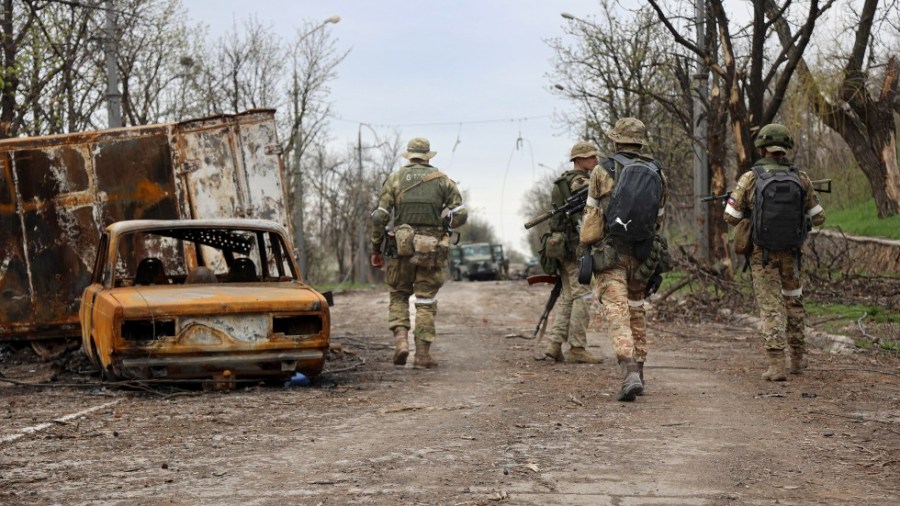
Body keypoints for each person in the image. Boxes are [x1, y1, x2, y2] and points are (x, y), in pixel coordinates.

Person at [724, 123, 826, 381]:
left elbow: (730, 216)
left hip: (762, 255)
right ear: (786, 147)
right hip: (792, 254)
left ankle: (777, 364)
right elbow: (820, 217)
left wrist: (747, 209)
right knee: (794, 301)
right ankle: (799, 358)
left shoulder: (751, 178)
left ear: (762, 148)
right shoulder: (801, 177)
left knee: (771, 306)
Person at [579, 118, 668, 402]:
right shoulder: (657, 172)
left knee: (617, 312)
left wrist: (586, 249)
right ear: (640, 141)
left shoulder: (601, 170)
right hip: (643, 253)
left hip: (611, 253)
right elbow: (659, 219)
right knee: (636, 309)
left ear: (616, 140)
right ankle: (639, 372)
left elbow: (592, 218)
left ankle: (628, 371)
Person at [371, 137, 467, 369]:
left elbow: (380, 216)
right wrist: (446, 224)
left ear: (409, 155)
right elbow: (461, 213)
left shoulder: (394, 179)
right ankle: (422, 356)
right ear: (427, 156)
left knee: (399, 294)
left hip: (399, 250)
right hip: (431, 252)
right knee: (425, 301)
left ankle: (401, 340)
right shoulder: (443, 181)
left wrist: (376, 247)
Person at [543, 141, 604, 364]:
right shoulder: (581, 181)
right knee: (584, 294)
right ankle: (577, 347)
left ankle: (554, 345)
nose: (595, 160)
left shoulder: (561, 181)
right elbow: (586, 211)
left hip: (561, 246)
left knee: (569, 296)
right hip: (575, 246)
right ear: (578, 159)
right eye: (590, 157)